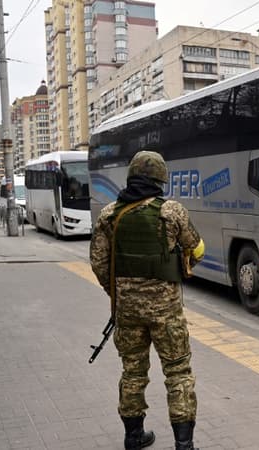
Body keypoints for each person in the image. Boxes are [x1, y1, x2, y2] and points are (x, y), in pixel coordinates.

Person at [90, 151, 205, 450]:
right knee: (178, 372)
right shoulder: (172, 211)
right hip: (166, 312)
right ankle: (184, 444)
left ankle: (133, 437)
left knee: (132, 371)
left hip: (126, 311)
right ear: (160, 179)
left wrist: (117, 292)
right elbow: (198, 249)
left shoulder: (109, 215)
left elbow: (99, 263)